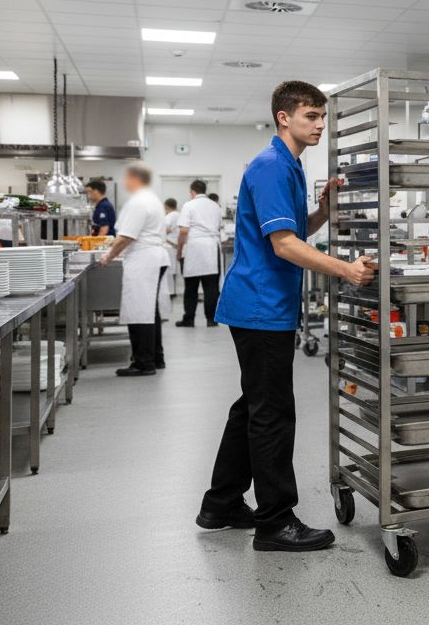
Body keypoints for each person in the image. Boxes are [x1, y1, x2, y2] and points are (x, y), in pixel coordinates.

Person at [196, 80, 375, 552]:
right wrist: (346, 270)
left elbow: (297, 229)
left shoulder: (289, 166)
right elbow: (285, 245)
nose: (320, 125)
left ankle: (221, 503)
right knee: (273, 412)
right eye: (311, 116)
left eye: (322, 117)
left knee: (252, 405)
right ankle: (275, 522)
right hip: (260, 307)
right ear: (284, 117)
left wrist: (323, 210)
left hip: (263, 304)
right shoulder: (272, 166)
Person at [98, 163, 171, 377]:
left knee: (139, 309)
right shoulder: (151, 199)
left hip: (143, 258)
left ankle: (143, 362)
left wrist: (108, 255)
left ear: (134, 179)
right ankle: (156, 358)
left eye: (126, 178)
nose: (124, 182)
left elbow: (128, 235)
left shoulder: (139, 201)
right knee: (149, 310)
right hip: (152, 257)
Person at [176, 180, 223, 327]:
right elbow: (219, 226)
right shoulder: (215, 206)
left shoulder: (188, 205)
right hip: (212, 247)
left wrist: (179, 250)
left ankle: (189, 319)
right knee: (211, 286)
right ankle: (211, 319)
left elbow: (183, 231)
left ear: (192, 191)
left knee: (191, 286)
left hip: (194, 247)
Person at [163, 198, 180, 298]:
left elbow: (165, 230)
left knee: (169, 269)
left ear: (166, 206)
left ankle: (170, 292)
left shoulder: (169, 216)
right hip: (176, 245)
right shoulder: (179, 214)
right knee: (173, 269)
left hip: (169, 245)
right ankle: (173, 291)